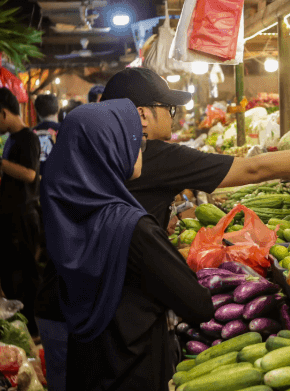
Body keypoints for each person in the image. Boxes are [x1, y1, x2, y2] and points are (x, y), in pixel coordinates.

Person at [41, 100, 213, 391]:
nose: (141, 151)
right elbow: (198, 305)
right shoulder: (131, 226)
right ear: (110, 149)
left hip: (88, 370)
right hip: (135, 372)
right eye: (136, 142)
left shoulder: (66, 212)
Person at [101, 68, 290, 228]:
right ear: (141, 115)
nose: (172, 115)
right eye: (168, 108)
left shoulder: (109, 149)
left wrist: (172, 207)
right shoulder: (154, 155)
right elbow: (254, 168)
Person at [0, 88, 42, 335]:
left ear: (4, 113)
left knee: (24, 276)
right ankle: (21, 327)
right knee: (12, 275)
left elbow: (29, 174)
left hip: (23, 218)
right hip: (12, 217)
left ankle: (32, 330)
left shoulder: (28, 139)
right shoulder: (14, 140)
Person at [32, 94, 60, 176]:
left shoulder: (30, 133)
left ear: (37, 111)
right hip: (60, 183)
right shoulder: (66, 130)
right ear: (57, 109)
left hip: (37, 181)